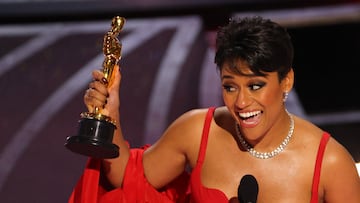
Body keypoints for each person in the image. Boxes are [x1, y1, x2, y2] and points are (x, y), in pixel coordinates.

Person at [68, 16, 360, 203]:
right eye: (230, 87)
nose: (242, 102)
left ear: (287, 81)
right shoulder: (198, 131)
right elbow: (128, 183)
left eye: (256, 86)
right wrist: (112, 114)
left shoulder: (331, 164)